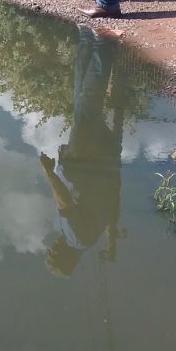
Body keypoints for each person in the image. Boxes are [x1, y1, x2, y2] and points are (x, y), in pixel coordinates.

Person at [39, 27, 124, 277]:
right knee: (88, 102)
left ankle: (87, 38)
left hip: (91, 159)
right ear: (64, 257)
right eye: (53, 254)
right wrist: (48, 173)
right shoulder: (77, 238)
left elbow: (110, 211)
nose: (51, 248)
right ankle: (103, 44)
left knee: (80, 98)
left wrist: (111, 242)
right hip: (85, 159)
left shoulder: (83, 239)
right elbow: (65, 202)